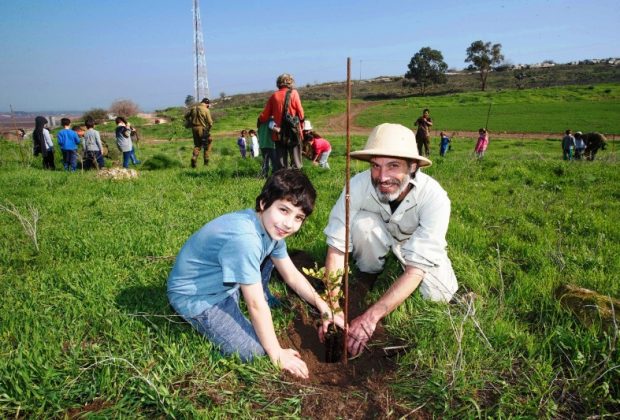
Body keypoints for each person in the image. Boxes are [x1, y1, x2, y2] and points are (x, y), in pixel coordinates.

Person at [167, 169, 344, 378]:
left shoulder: (271, 228)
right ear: (263, 203)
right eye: (284, 210)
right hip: (199, 298)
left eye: (298, 217)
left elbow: (291, 275)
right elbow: (255, 305)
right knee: (256, 352)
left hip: (223, 279)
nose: (289, 224)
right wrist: (277, 352)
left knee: (270, 256)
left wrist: (323, 305)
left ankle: (252, 290)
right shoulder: (246, 240)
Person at [322, 123, 458, 356]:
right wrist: (332, 306)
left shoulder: (435, 198)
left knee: (438, 296)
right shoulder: (356, 186)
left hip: (413, 242)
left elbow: (416, 270)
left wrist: (370, 317)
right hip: (379, 231)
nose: (382, 177)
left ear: (413, 166)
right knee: (363, 224)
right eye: (376, 166)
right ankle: (368, 274)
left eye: (393, 166)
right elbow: (336, 246)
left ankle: (460, 297)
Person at [258, 73, 305, 171]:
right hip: (293, 132)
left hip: (279, 133)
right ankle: (297, 180)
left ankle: (282, 181)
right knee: (296, 161)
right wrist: (301, 125)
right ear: (290, 82)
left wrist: (259, 120)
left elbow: (264, 116)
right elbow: (300, 112)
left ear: (278, 83)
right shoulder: (294, 93)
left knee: (281, 163)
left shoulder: (274, 96)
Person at [185, 97, 214, 167]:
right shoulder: (206, 110)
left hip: (194, 128)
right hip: (202, 128)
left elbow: (186, 116)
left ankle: (194, 158)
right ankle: (206, 163)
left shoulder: (193, 108)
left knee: (197, 145)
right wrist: (207, 131)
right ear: (207, 104)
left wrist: (190, 122)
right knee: (208, 143)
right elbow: (210, 123)